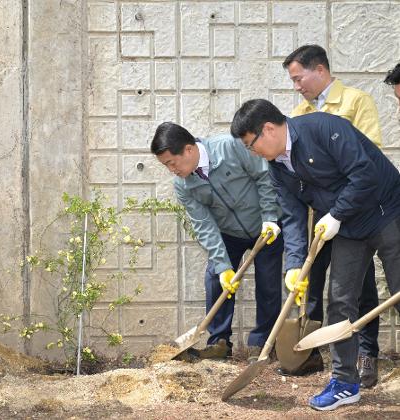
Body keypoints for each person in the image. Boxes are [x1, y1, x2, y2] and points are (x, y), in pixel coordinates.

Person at [230, 98, 400, 411]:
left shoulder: (324, 128)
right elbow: (293, 217)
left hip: (386, 211)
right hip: (348, 226)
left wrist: (335, 214)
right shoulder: (278, 167)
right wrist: (294, 267)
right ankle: (345, 382)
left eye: (250, 144)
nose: (252, 152)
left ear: (268, 129)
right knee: (340, 301)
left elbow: (364, 173)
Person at [281, 45, 383, 386]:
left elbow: (368, 157)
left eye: (298, 78)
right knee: (310, 282)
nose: (296, 86)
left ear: (320, 70)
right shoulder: (298, 113)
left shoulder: (356, 102)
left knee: (359, 286)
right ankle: (310, 351)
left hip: (355, 215)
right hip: (320, 218)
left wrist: (341, 209)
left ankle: (366, 354)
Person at [150, 122, 283, 360]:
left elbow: (264, 177)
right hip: (229, 231)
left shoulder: (230, 147)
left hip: (265, 225)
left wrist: (270, 217)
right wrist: (223, 266)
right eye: (166, 165)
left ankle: (261, 343)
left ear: (189, 150)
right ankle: (219, 342)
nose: (171, 169)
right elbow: (203, 224)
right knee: (215, 277)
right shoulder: (183, 184)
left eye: (172, 162)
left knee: (268, 282)